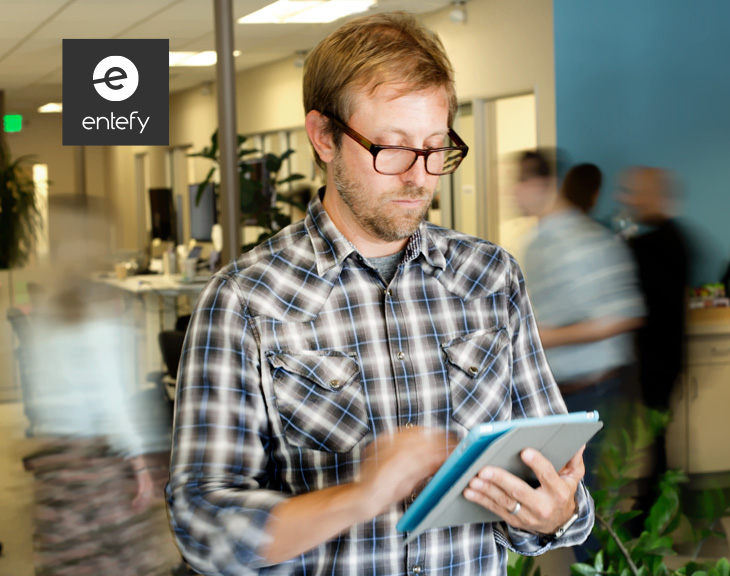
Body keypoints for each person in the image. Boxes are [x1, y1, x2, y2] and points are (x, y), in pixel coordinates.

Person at [166, 12, 592, 576]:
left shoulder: (491, 277)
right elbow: (202, 527)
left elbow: (562, 489)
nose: (418, 176)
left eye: (435, 148)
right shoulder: (246, 301)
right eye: (390, 148)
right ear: (324, 137)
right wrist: (357, 498)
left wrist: (551, 514)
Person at [19, 199, 176, 576]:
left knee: (72, 558)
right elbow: (114, 402)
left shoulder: (43, 308)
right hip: (99, 463)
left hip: (58, 462)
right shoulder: (102, 318)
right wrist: (140, 464)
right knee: (115, 559)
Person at [513, 155, 645, 489]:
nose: (512, 194)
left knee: (587, 497)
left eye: (518, 184)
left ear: (540, 185)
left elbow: (623, 316)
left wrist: (541, 336)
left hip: (592, 390)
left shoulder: (583, 241)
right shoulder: (538, 240)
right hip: (556, 390)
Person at [616, 166, 692, 514]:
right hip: (667, 355)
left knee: (658, 439)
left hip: (658, 359)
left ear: (654, 195)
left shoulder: (653, 245)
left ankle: (657, 510)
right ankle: (655, 505)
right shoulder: (675, 237)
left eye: (634, 192)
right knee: (658, 437)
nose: (628, 199)